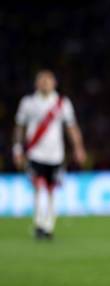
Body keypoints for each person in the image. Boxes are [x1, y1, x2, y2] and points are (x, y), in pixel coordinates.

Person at [12, 70, 87, 240]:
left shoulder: (62, 103)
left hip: (56, 155)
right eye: (42, 80)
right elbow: (19, 127)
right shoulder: (28, 102)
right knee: (38, 188)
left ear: (55, 83)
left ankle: (49, 225)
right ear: (36, 83)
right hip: (35, 154)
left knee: (52, 190)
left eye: (48, 80)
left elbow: (71, 127)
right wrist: (17, 149)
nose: (45, 83)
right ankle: (39, 223)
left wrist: (78, 148)